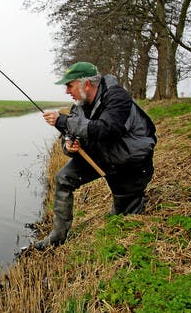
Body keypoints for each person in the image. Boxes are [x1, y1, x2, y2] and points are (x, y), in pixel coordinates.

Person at [34, 62, 157, 250]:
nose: (67, 91)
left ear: (87, 84)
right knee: (63, 178)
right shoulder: (79, 106)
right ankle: (57, 237)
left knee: (124, 219)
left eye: (70, 85)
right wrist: (70, 146)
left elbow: (108, 130)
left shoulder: (117, 97)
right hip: (104, 155)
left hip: (131, 163)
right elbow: (71, 135)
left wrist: (63, 120)